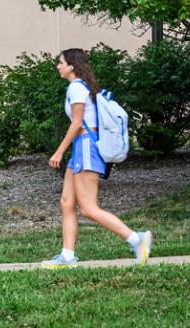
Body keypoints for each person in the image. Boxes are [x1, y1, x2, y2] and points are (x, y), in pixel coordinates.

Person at [41, 48, 152, 268]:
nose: (58, 66)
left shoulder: (76, 88)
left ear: (71, 66)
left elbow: (77, 123)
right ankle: (67, 256)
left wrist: (59, 151)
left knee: (89, 208)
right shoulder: (81, 87)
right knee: (66, 202)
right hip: (81, 148)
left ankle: (136, 239)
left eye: (60, 62)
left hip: (86, 147)